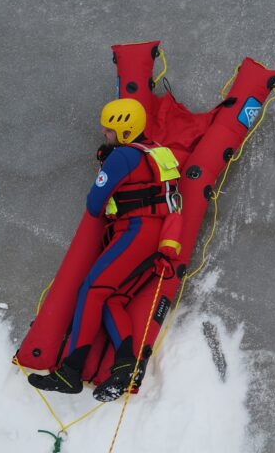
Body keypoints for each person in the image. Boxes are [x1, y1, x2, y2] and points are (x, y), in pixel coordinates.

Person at [27, 98, 182, 401]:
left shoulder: (122, 157)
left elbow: (95, 204)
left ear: (125, 131)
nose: (104, 133)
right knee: (113, 299)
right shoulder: (159, 153)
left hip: (135, 232)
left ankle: (70, 371)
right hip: (156, 237)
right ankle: (124, 367)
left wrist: (106, 165)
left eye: (109, 130)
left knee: (92, 290)